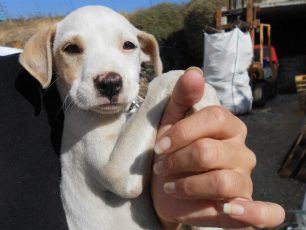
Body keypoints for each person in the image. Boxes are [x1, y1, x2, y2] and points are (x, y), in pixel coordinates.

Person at [0, 54, 284, 229]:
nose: (108, 73)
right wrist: (161, 88)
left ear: (148, 53)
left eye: (127, 46)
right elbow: (124, 181)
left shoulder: (19, 84)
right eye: (73, 50)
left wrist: (174, 215)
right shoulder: (50, 90)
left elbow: (137, 191)